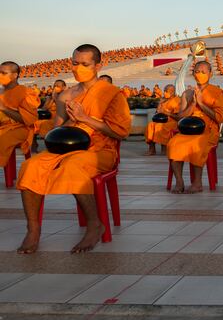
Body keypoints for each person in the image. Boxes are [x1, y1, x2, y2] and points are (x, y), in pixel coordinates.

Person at [16, 44, 131, 253]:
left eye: (85, 64)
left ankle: (95, 224)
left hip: (100, 151)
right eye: (75, 63)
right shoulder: (66, 96)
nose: (78, 68)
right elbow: (57, 131)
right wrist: (71, 120)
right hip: (68, 147)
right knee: (30, 166)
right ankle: (33, 229)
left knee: (73, 165)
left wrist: (85, 119)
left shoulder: (112, 94)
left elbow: (121, 132)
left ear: (98, 65)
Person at [166, 61, 223, 193]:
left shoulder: (216, 92)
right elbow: (181, 117)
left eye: (204, 72)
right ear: (193, 74)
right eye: (197, 71)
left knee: (196, 144)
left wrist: (201, 104)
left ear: (210, 74)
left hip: (208, 131)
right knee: (174, 143)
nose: (200, 74)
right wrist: (193, 104)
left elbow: (220, 118)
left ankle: (197, 182)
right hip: (188, 131)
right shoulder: (187, 93)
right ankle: (179, 181)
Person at [0, 61, 38, 167]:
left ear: (15, 75)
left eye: (3, 73)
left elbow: (30, 120)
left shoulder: (25, 92)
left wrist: (4, 108)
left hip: (21, 128)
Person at [31, 79, 67, 153]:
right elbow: (45, 108)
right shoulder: (49, 97)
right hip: (49, 116)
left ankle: (49, 145)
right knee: (33, 123)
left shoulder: (67, 96)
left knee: (45, 124)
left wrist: (56, 99)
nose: (56, 87)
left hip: (60, 118)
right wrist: (52, 99)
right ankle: (34, 144)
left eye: (58, 86)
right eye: (55, 86)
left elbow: (63, 109)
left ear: (63, 87)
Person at [145, 84, 179, 156]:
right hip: (161, 121)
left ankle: (164, 148)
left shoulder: (177, 100)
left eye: (166, 91)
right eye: (164, 91)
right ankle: (152, 149)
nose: (164, 93)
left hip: (172, 122)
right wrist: (160, 103)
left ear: (172, 92)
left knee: (160, 126)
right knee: (150, 125)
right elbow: (157, 112)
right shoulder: (164, 100)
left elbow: (178, 116)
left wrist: (167, 113)